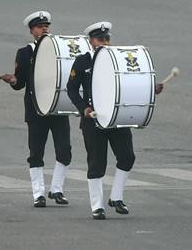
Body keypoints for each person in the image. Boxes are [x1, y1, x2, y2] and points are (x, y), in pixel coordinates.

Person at [66, 21, 164, 219]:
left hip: (117, 117)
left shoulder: (116, 59)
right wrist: (83, 108)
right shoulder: (82, 61)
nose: (105, 43)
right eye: (100, 39)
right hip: (93, 120)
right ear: (91, 41)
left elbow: (131, 83)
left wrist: (150, 89)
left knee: (127, 157)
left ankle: (116, 197)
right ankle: (97, 206)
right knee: (97, 163)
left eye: (107, 39)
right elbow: (71, 88)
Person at [0, 11, 71, 208]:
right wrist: (13, 80)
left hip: (58, 108)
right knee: (36, 153)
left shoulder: (59, 49)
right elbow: (19, 82)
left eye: (46, 25)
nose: (44, 29)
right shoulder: (25, 53)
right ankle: (38, 194)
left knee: (65, 151)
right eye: (40, 26)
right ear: (32, 31)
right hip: (36, 110)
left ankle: (57, 189)